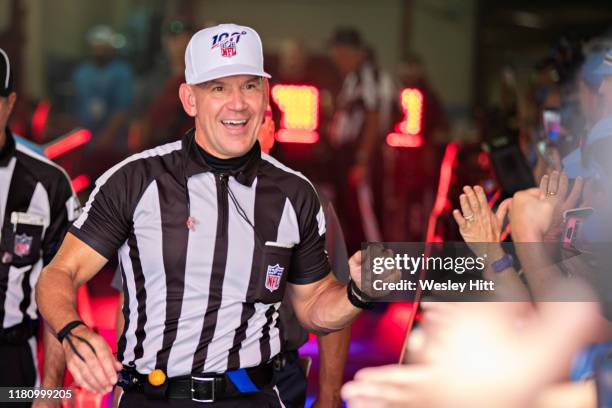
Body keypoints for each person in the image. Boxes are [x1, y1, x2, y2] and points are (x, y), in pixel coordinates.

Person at [36, 24, 380, 407]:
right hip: (152, 397)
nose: (238, 103)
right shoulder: (135, 180)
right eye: (219, 88)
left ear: (266, 96)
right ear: (190, 99)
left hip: (252, 396)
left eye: (250, 86)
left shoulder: (294, 194)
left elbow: (315, 304)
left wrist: (357, 293)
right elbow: (59, 273)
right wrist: (74, 331)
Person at [110, 111, 351, 407]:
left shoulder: (303, 201)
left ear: (272, 130)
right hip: (168, 382)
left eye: (257, 117)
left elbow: (334, 301)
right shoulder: (165, 199)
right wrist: (126, 378)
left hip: (271, 375)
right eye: (232, 118)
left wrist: (329, 396)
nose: (242, 127)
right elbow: (132, 300)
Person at [0, 48, 80, 407]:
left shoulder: (48, 183)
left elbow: (63, 290)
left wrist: (52, 392)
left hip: (13, 363)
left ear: (9, 103)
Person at [328, 28, 384, 253]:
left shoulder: (367, 75)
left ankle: (378, 267)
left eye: (341, 53)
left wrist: (361, 159)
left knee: (365, 214)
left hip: (358, 154)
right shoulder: (351, 78)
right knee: (350, 214)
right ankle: (357, 265)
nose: (337, 59)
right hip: (344, 155)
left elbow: (373, 117)